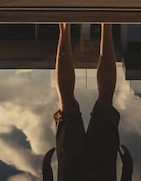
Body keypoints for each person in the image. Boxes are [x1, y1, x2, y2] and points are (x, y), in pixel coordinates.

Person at [41, 23, 133, 181]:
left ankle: (70, 26)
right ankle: (98, 25)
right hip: (93, 171)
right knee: (75, 103)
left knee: (70, 104)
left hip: (86, 172)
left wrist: (127, 171)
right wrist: (127, 172)